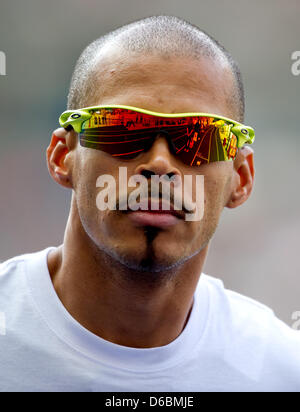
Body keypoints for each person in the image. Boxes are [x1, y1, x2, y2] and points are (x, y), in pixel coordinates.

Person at [0, 15, 299, 393]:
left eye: (199, 138)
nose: (159, 164)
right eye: (122, 129)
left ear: (241, 178)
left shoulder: (281, 370)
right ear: (63, 157)